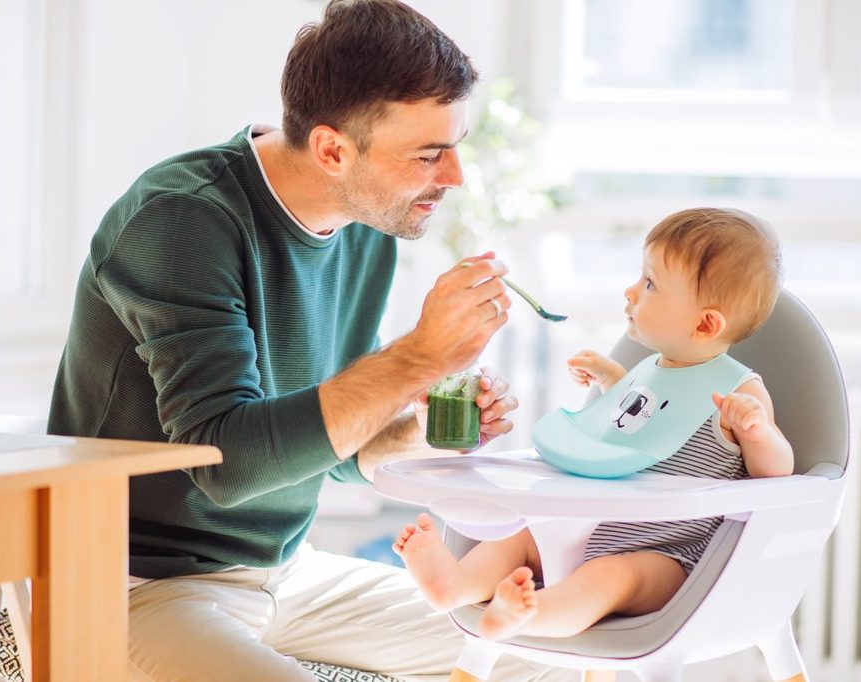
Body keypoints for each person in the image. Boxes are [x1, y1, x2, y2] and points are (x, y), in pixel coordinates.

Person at [48, 1, 569, 680]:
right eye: (428, 154)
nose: (454, 177)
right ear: (332, 149)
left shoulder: (362, 228)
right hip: (138, 585)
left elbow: (335, 455)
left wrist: (424, 427)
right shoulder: (182, 220)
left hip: (288, 573)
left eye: (456, 146)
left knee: (543, 651)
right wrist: (418, 356)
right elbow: (227, 466)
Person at [394, 207, 795, 642]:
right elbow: (641, 420)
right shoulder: (650, 369)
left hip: (668, 555)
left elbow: (776, 474)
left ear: (704, 324)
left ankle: (530, 615)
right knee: (523, 539)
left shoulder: (739, 392)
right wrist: (612, 381)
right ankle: (453, 584)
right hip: (593, 524)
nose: (631, 290)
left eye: (650, 283)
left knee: (608, 578)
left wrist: (758, 433)